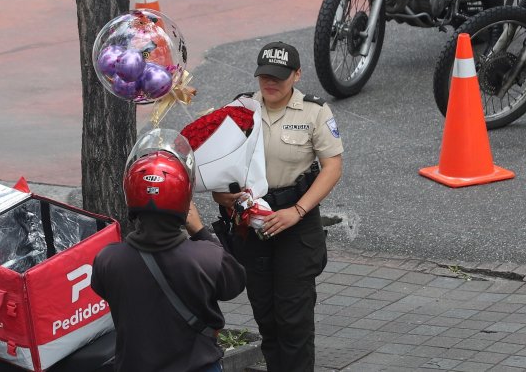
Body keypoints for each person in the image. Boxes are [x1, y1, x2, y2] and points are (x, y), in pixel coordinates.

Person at [214, 41, 344, 372]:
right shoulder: (240, 110)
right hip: (252, 224)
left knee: (294, 320)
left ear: (297, 75)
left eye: (279, 77)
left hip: (295, 222)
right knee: (267, 318)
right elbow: (216, 164)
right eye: (265, 76)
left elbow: (332, 167)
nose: (270, 83)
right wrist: (222, 196)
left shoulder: (315, 112)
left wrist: (298, 211)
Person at [92, 137, 246, 372]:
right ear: (184, 201)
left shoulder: (108, 260)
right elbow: (235, 282)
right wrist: (201, 232)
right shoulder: (207, 258)